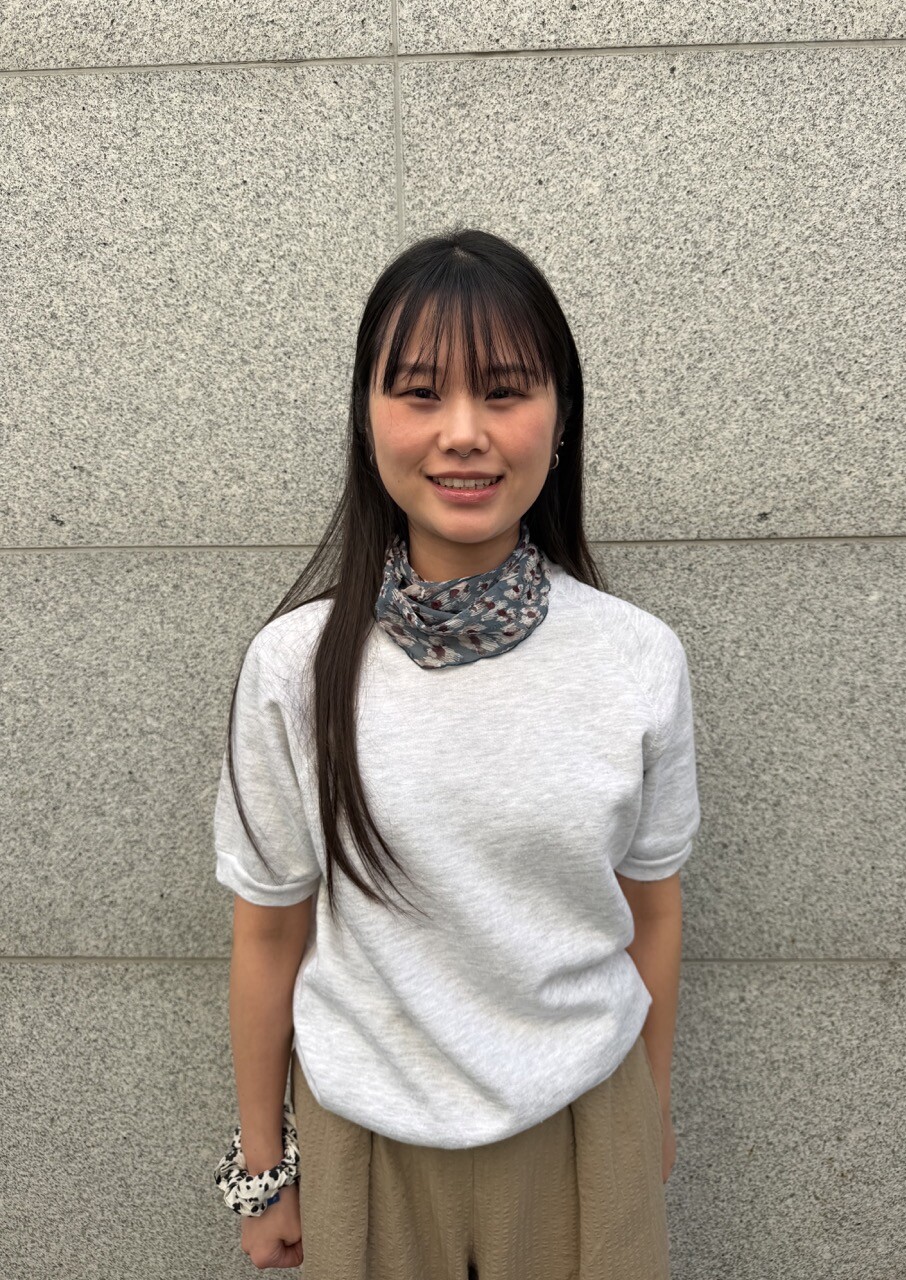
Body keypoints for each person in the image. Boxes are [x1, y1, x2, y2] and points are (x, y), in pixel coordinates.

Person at [212, 225, 702, 1278]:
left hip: (585, 1120)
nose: (465, 433)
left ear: (561, 418)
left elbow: (654, 912)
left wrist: (651, 1108)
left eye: (507, 391)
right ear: (368, 417)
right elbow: (268, 933)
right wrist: (265, 1167)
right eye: (422, 393)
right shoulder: (293, 666)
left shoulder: (637, 657)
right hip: (364, 1136)